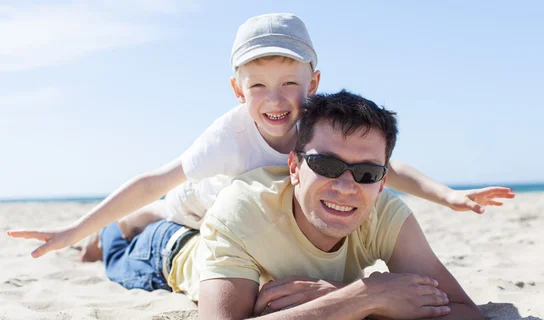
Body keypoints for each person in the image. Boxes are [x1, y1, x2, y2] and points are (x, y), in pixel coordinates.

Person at [7, 13, 514, 259]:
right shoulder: (228, 136)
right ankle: (101, 239)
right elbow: (154, 179)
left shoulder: (319, 122)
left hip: (253, 211)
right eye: (258, 87)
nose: (276, 100)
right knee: (148, 217)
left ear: (312, 83)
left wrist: (448, 196)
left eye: (290, 83)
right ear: (237, 90)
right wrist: (70, 231)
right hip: (195, 211)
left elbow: (382, 166)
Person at [89, 90, 486, 320]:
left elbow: (467, 313)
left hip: (213, 241)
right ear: (294, 167)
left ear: (382, 183)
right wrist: (366, 294)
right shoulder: (243, 208)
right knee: (116, 252)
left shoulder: (386, 214)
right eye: (326, 165)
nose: (347, 187)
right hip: (170, 255)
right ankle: (121, 225)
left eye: (366, 173)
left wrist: (339, 295)